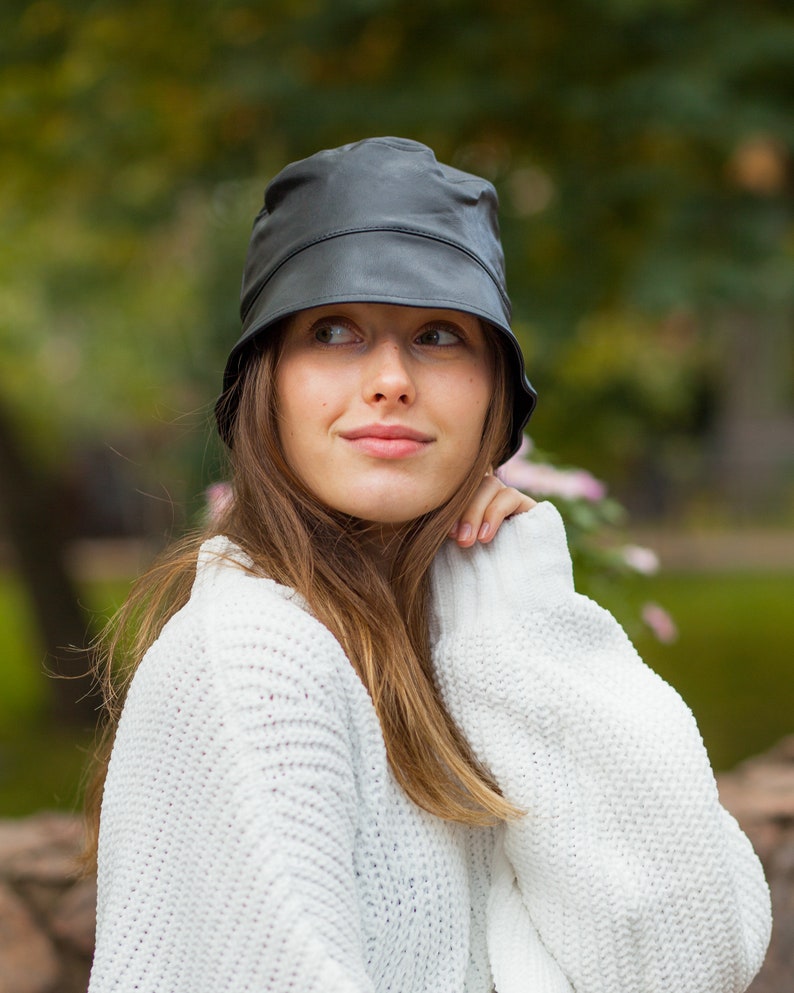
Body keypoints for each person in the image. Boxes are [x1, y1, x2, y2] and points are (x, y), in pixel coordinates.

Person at [86, 137, 771, 993]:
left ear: (495, 395)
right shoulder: (254, 664)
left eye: (438, 334)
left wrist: (519, 615)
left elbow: (687, 956)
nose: (390, 380)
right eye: (333, 330)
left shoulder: (464, 641)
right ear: (267, 384)